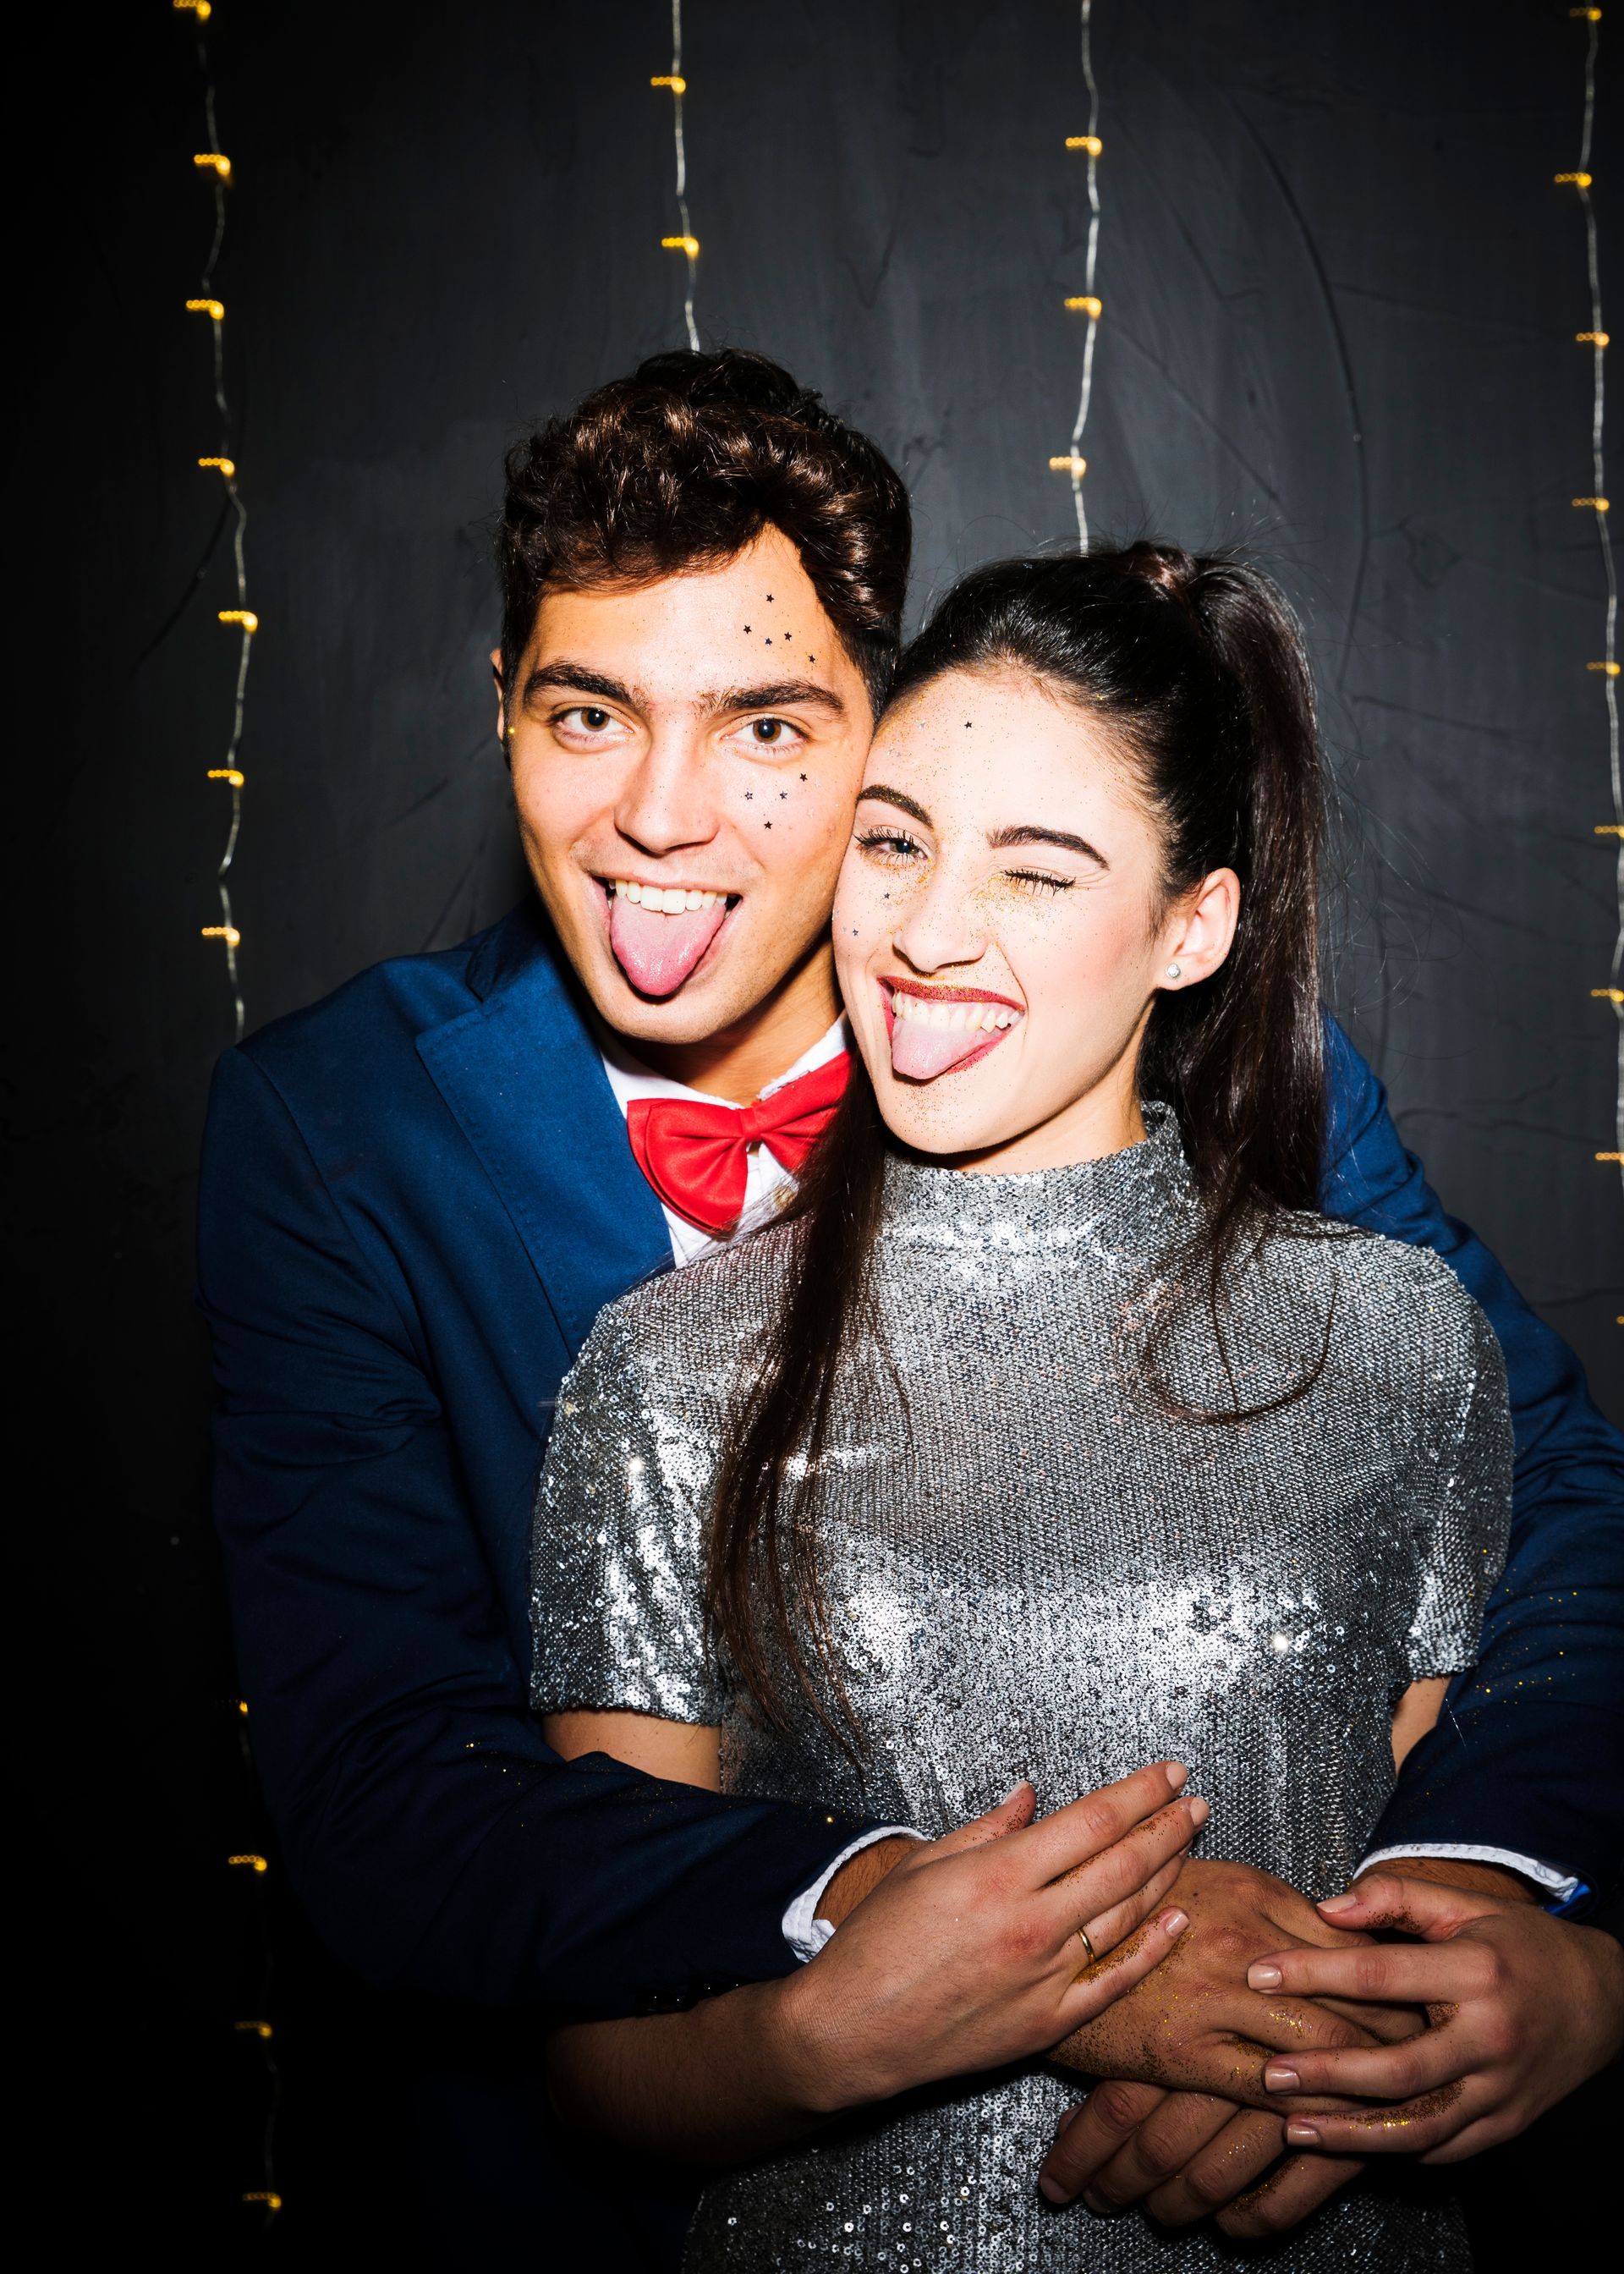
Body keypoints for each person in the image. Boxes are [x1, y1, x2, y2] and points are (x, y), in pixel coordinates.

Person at [198, 351, 1624, 2260]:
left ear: (891, 726)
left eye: (772, 729)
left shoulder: (1178, 1038)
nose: (662, 819)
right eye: (587, 713)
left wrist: (1445, 1950)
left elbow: (1556, 1523)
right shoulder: (338, 1129)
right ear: (504, 715)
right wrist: (1009, 1945)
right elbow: (391, 1787)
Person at [523, 544, 1516, 2267]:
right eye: (894, 840)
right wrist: (828, 2033)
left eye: (1038, 873)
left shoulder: (1399, 1337)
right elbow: (601, 2047)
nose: (921, 932)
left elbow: (1437, 1908)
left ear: (1193, 926)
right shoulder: (669, 1369)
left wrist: (1326, 2068)